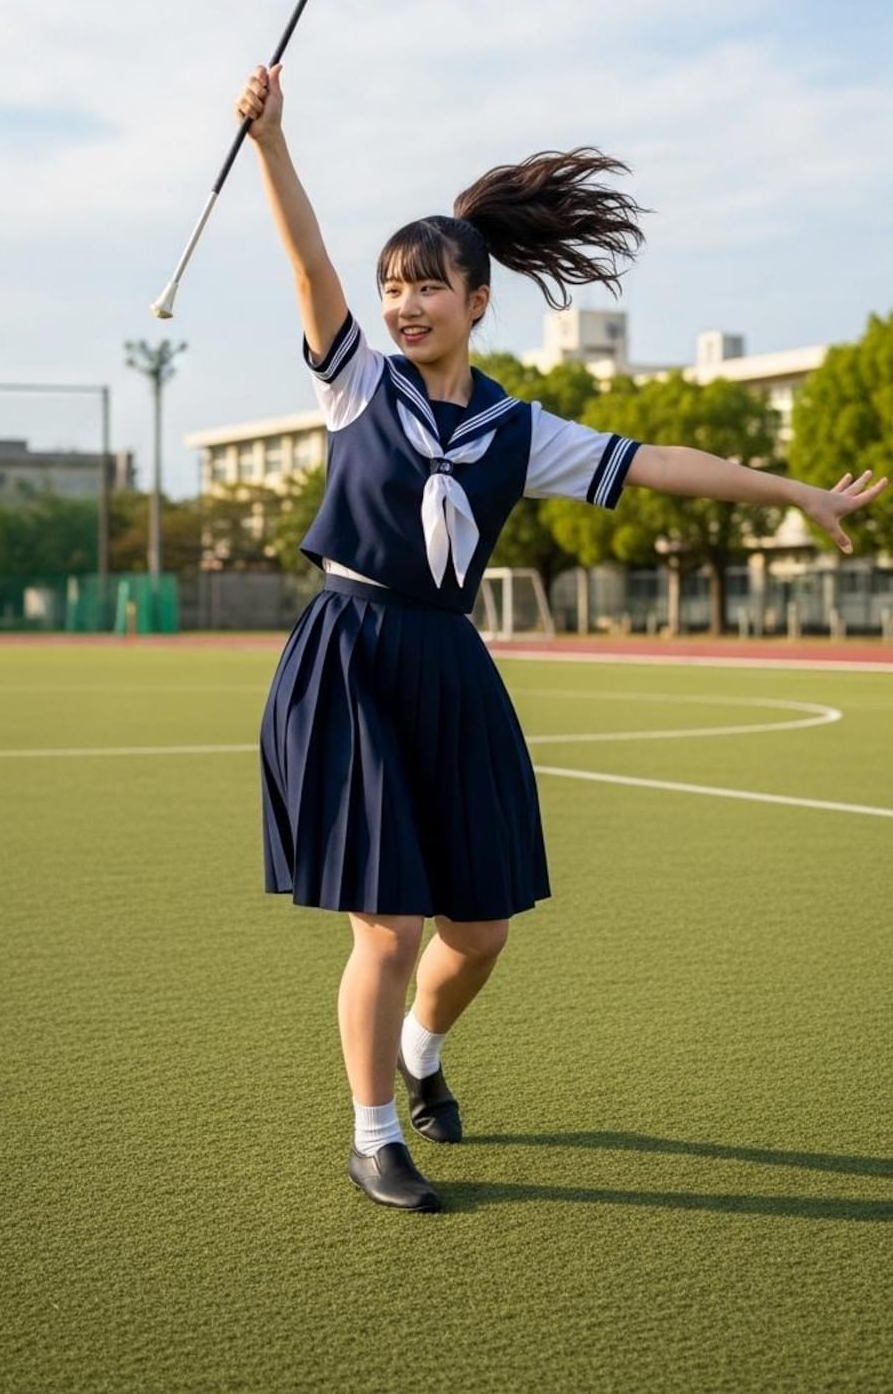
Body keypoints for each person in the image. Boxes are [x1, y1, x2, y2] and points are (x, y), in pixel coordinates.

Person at [237, 61, 886, 1215]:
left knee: (478, 929)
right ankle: (374, 1133)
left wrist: (795, 491)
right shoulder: (354, 385)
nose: (403, 304)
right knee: (386, 925)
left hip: (446, 659)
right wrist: (273, 144)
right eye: (393, 286)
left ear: (476, 300)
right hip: (348, 659)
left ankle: (424, 1056)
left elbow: (661, 463)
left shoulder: (515, 429)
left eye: (427, 286)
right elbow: (305, 263)